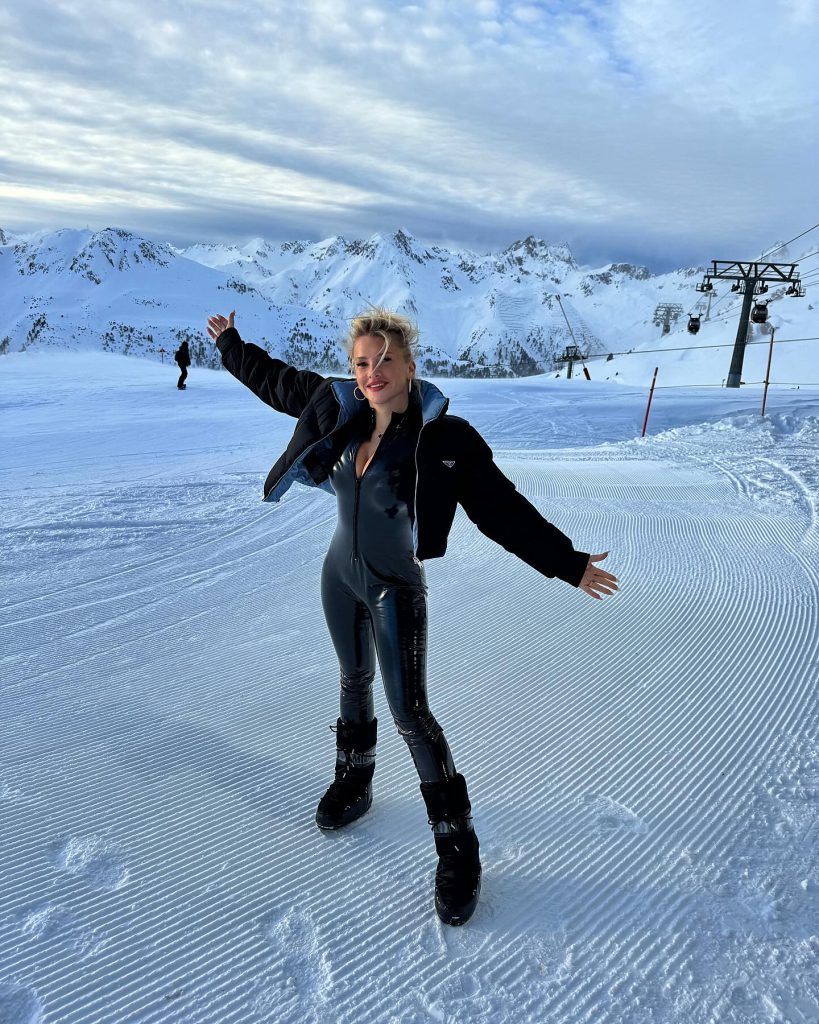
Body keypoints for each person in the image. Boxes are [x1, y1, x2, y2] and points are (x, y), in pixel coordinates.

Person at [206, 307, 618, 926]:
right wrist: (230, 343)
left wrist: (568, 562)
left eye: (385, 361)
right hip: (339, 578)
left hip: (395, 587)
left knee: (411, 711)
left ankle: (457, 844)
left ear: (410, 366)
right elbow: (277, 382)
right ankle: (355, 778)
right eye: (362, 363)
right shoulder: (336, 410)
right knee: (352, 681)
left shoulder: (443, 439)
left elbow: (500, 509)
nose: (373, 373)